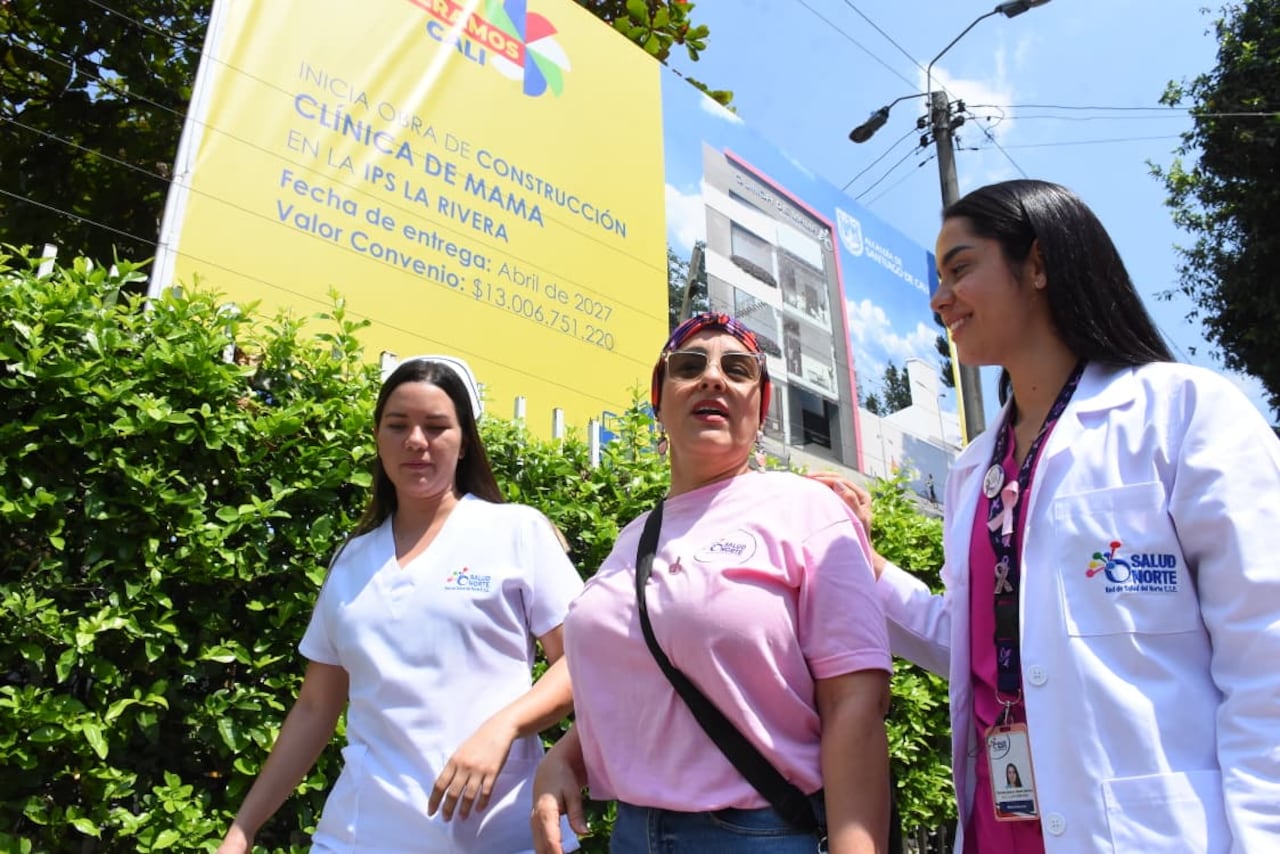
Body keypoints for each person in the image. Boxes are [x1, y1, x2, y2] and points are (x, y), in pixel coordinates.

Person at [822, 179, 1280, 852]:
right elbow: (988, 645)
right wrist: (867, 563)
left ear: (1037, 264)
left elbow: (1263, 648)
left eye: (961, 267)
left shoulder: (1183, 413)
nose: (938, 297)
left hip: (1158, 832)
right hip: (998, 829)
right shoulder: (972, 470)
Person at [531, 313, 893, 854]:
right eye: (690, 366)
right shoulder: (633, 537)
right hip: (632, 834)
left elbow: (855, 709)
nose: (713, 378)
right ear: (659, 398)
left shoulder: (806, 509)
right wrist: (565, 758)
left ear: (761, 406)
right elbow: (648, 685)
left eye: (738, 368)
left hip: (763, 835)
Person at [216, 355, 583, 853]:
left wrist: (504, 728)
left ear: (464, 441)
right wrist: (243, 829)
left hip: (501, 835)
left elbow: (583, 663)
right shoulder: (352, 559)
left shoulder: (516, 531)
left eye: (436, 427)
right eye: (398, 425)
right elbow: (314, 708)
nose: (416, 440)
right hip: (360, 835)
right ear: (378, 438)